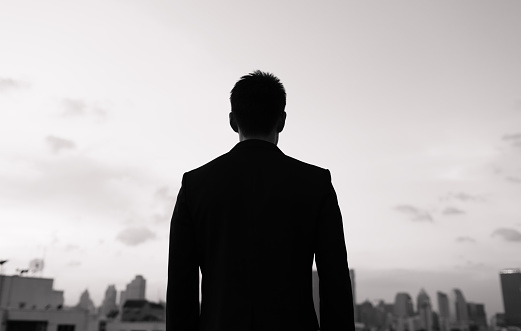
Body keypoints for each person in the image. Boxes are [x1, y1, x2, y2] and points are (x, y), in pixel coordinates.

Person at [167, 70, 355, 331]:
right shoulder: (315, 183)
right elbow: (335, 285)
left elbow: (180, 290)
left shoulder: (195, 185)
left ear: (233, 121)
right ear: (282, 120)